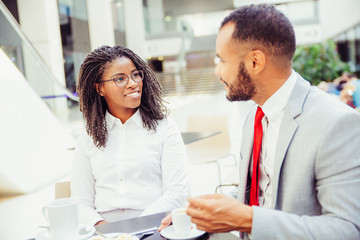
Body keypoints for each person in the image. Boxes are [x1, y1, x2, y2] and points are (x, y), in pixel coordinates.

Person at [158, 4, 360, 239]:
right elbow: (259, 195)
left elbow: (348, 230)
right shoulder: (255, 116)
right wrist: (203, 212)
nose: (217, 72)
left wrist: (247, 219)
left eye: (221, 60)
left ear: (255, 62)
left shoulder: (337, 124)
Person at [72, 45, 189, 227]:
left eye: (135, 75)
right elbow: (80, 202)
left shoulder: (165, 128)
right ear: (99, 88)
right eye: (120, 78)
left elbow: (178, 193)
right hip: (103, 233)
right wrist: (107, 231)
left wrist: (139, 226)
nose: (133, 83)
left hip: (153, 226)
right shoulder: (87, 137)